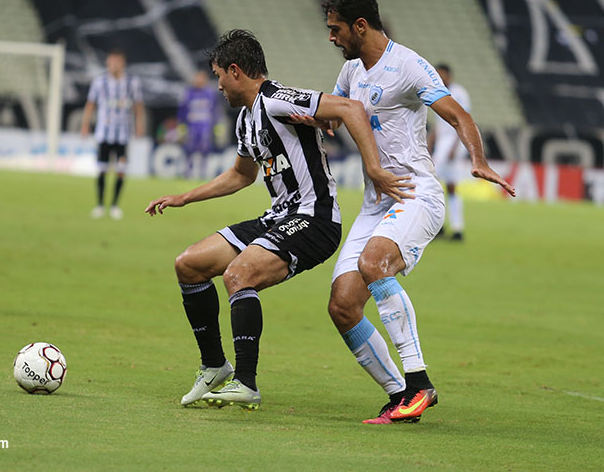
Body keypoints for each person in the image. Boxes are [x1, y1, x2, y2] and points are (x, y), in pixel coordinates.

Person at [145, 29, 411, 410]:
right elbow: (241, 175)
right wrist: (184, 198)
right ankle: (214, 366)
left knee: (239, 275)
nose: (218, 86)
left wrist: (374, 167)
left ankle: (246, 382)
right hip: (278, 217)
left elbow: (351, 109)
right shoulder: (245, 119)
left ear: (235, 71)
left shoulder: (277, 99)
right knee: (189, 265)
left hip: (315, 218)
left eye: (219, 75)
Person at [293, 0, 515, 424]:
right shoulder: (351, 71)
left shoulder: (408, 66)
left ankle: (419, 384)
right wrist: (312, 119)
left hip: (414, 193)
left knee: (374, 263)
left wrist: (477, 160)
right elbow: (337, 115)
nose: (331, 37)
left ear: (360, 25)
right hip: (375, 204)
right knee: (342, 305)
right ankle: (400, 395)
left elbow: (458, 115)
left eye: (336, 29)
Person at [81, 48, 146, 220]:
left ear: (123, 63)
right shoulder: (99, 82)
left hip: (123, 135)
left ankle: (115, 206)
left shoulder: (132, 82)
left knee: (121, 170)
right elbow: (90, 104)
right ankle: (100, 205)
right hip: (104, 133)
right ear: (107, 63)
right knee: (102, 169)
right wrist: (85, 125)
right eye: (111, 61)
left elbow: (138, 106)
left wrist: (140, 125)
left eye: (117, 61)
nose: (114, 65)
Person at [429, 64, 471, 241]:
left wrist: (456, 146)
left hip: (453, 143)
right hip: (442, 144)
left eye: (442, 74)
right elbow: (439, 123)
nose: (440, 77)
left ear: (449, 75)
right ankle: (453, 228)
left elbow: (464, 120)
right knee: (445, 185)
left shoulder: (459, 93)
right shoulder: (436, 91)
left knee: (436, 183)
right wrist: (431, 141)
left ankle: (447, 227)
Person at [177, 70, 223, 177]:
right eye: (197, 78)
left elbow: (215, 112)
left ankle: (203, 172)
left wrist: (217, 129)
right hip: (191, 128)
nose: (199, 80)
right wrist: (181, 129)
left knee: (205, 151)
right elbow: (182, 113)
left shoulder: (210, 94)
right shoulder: (188, 93)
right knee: (188, 151)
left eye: (202, 78)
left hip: (205, 128)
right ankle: (187, 172)